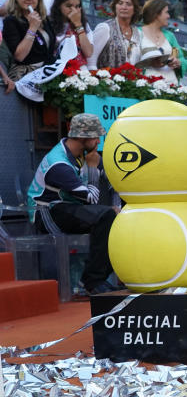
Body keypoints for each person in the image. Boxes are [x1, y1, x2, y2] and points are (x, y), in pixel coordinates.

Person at [27, 113, 119, 295]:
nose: (99, 141)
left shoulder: (81, 154)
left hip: (66, 207)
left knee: (112, 217)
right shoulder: (59, 164)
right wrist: (92, 169)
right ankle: (92, 281)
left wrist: (118, 206)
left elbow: (113, 182)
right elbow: (91, 198)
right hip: (46, 212)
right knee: (105, 215)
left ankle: (97, 278)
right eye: (96, 137)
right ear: (82, 137)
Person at [2, 0, 55, 82]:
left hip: (46, 73)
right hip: (25, 78)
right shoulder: (11, 21)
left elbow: (46, 45)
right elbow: (19, 56)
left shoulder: (43, 18)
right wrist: (32, 28)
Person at [139, 0, 186, 84]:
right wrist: (149, 62)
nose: (169, 16)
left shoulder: (170, 36)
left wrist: (178, 63)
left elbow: (182, 59)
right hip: (145, 86)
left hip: (171, 86)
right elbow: (130, 60)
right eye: (166, 12)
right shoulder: (137, 33)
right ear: (156, 14)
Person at [91, 0, 142, 68]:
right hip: (105, 79)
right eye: (120, 3)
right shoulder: (105, 28)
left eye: (128, 4)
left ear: (134, 9)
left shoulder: (137, 32)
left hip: (131, 79)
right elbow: (91, 59)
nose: (124, 7)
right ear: (115, 7)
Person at [46, 0, 94, 72]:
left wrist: (78, 24)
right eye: (68, 6)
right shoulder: (48, 23)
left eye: (77, 6)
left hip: (80, 71)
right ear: (58, 6)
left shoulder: (84, 24)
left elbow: (88, 52)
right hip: (55, 70)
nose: (74, 10)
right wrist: (62, 43)